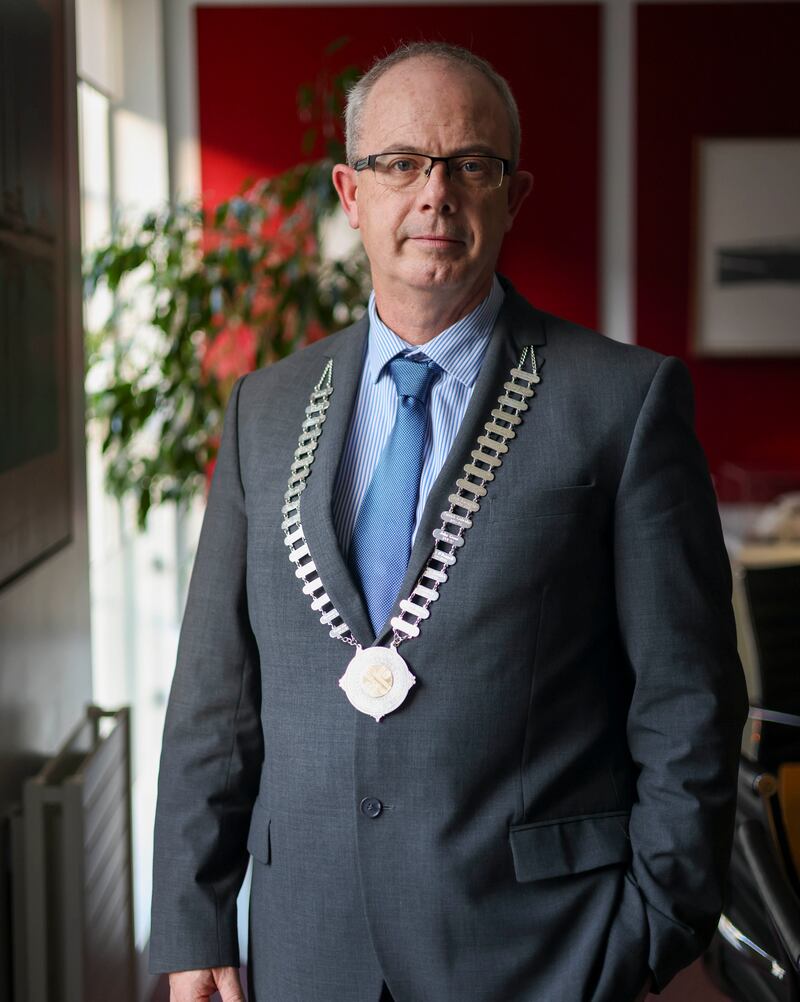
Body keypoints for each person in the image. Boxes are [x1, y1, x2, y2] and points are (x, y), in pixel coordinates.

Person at [150, 41, 748, 1002]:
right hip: (308, 946)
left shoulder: (623, 403)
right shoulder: (263, 408)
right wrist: (192, 920)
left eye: (471, 165)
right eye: (400, 164)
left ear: (513, 198)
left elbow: (689, 701)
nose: (435, 194)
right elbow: (215, 697)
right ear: (351, 193)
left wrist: (649, 930)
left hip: (544, 953)